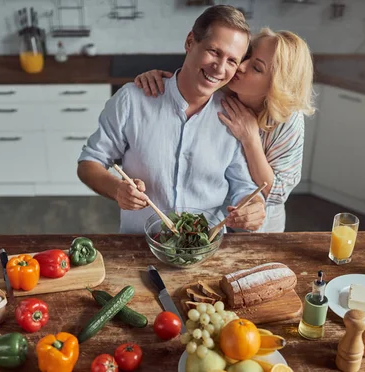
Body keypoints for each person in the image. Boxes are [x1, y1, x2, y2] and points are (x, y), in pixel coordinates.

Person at [77, 5, 266, 234]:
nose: (219, 68)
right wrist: (117, 189)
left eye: (232, 61)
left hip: (205, 249)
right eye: (214, 52)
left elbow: (243, 187)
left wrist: (254, 206)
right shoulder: (132, 100)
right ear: (190, 42)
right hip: (140, 244)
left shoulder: (234, 115)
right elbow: (89, 164)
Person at [134, 27, 315, 232]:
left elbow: (277, 192)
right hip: (211, 216)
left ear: (276, 85)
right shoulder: (218, 85)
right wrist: (156, 80)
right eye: (246, 55)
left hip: (257, 223)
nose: (240, 66)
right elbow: (184, 81)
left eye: (256, 68)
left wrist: (251, 139)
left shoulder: (287, 118)